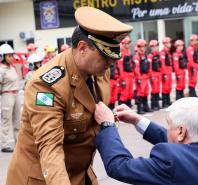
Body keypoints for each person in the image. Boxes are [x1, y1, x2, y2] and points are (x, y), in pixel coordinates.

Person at [6, 6, 132, 185]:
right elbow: (51, 149)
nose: (110, 63)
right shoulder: (46, 86)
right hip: (45, 177)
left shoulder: (99, 68)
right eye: (105, 57)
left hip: (80, 171)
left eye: (113, 57)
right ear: (82, 48)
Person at [94, 98, 198, 185]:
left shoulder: (172, 163)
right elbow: (182, 146)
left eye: (169, 124)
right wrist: (137, 120)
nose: (167, 128)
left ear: (181, 131)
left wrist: (107, 125)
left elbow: (120, 166)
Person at [0, 43, 21, 153]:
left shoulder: (12, 68)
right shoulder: (1, 70)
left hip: (16, 95)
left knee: (17, 121)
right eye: (9, 56)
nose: (12, 57)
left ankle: (19, 143)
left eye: (12, 55)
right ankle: (4, 144)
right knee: (6, 120)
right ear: (2, 57)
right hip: (7, 95)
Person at [134, 39, 151, 114]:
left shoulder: (145, 56)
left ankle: (145, 107)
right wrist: (138, 77)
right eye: (141, 46)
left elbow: (148, 67)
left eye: (144, 46)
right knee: (140, 93)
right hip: (140, 77)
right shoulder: (137, 56)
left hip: (145, 77)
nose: (142, 48)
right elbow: (136, 68)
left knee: (145, 92)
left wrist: (148, 76)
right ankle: (139, 108)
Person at [117, 36, 135, 107]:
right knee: (124, 94)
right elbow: (120, 67)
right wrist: (122, 79)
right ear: (123, 44)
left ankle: (128, 108)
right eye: (128, 43)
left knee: (130, 93)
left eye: (129, 43)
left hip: (130, 76)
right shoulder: (121, 54)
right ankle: (121, 110)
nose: (129, 44)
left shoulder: (128, 53)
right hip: (125, 76)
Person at [147, 40, 161, 111]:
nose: (157, 48)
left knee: (158, 90)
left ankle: (157, 104)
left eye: (157, 46)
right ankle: (153, 105)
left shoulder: (158, 55)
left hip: (158, 74)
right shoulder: (150, 56)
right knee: (154, 90)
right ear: (151, 48)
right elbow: (149, 67)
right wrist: (151, 76)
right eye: (155, 46)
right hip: (153, 74)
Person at [160, 36, 173, 108]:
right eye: (169, 42)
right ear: (165, 44)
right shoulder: (163, 53)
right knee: (165, 88)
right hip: (165, 73)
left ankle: (168, 101)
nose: (170, 44)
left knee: (168, 87)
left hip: (169, 72)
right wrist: (164, 74)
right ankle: (164, 102)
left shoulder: (168, 52)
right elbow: (162, 65)